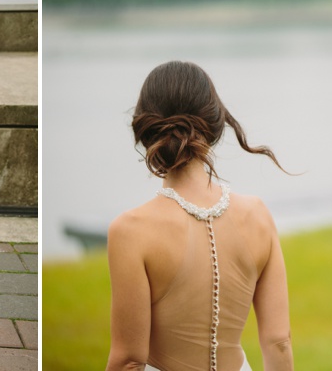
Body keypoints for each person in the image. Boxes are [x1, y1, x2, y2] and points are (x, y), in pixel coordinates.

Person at [106, 61, 294, 371]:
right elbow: (279, 342)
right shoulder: (258, 214)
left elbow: (129, 361)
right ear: (215, 123)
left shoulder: (131, 231)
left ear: (145, 127)